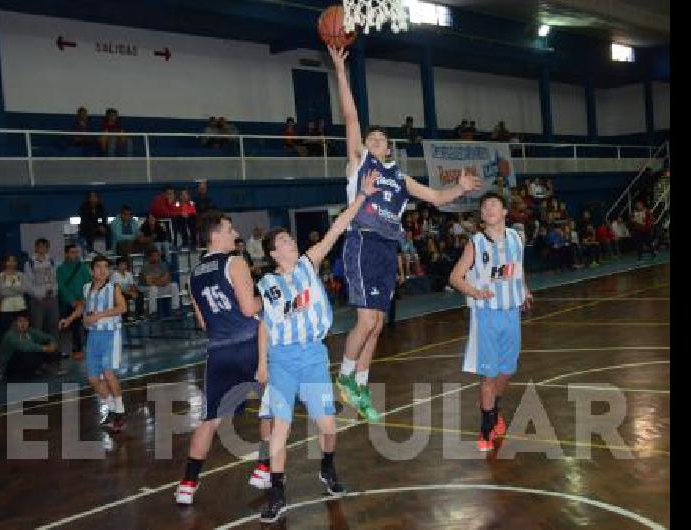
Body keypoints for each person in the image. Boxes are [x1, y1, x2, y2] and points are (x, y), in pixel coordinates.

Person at [328, 44, 481, 421]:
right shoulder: (359, 163)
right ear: (364, 146)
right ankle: (344, 378)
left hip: (386, 248)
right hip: (361, 240)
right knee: (365, 321)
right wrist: (339, 69)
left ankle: (359, 387)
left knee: (377, 325)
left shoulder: (401, 177)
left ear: (390, 146)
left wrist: (460, 189)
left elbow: (434, 196)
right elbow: (350, 116)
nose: (374, 140)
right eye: (370, 137)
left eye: (381, 138)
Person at [257, 170, 378, 523]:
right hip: (282, 359)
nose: (289, 242)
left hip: (312, 354)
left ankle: (327, 468)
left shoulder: (309, 263)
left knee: (327, 426)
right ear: (272, 253)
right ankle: (276, 491)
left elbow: (337, 227)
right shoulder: (266, 283)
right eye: (281, 241)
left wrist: (361, 197)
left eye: (288, 238)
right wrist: (262, 361)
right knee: (281, 427)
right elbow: (263, 323)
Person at [175, 212, 271, 505]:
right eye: (229, 230)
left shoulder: (192, 275)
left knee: (210, 420)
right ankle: (264, 468)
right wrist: (269, 298)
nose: (235, 234)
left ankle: (188, 484)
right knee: (271, 408)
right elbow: (247, 308)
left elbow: (204, 323)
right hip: (248, 345)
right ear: (214, 235)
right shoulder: (236, 262)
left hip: (218, 351)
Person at [448, 192, 533, 452]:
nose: (489, 208)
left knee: (507, 370)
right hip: (486, 315)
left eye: (494, 204)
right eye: (485, 206)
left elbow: (517, 269)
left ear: (505, 212)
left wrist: (525, 290)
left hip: (511, 313)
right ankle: (487, 427)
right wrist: (475, 293)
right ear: (483, 216)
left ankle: (492, 407)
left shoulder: (517, 238)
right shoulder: (475, 243)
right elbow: (455, 277)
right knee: (488, 374)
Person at [59, 255, 128, 431]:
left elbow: (122, 308)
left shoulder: (114, 287)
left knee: (108, 373)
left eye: (106, 267)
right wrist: (69, 318)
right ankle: (112, 409)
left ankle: (120, 412)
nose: (103, 270)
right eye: (99, 267)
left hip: (110, 334)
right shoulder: (87, 288)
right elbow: (82, 307)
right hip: (93, 337)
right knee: (92, 378)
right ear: (92, 270)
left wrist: (99, 315)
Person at [56, 244, 92, 359]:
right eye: (72, 252)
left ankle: (86, 348)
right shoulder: (60, 269)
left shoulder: (83, 267)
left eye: (76, 252)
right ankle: (71, 349)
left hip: (83, 301)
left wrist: (84, 299)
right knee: (71, 326)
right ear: (66, 254)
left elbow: (88, 283)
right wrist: (72, 301)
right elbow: (61, 287)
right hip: (69, 302)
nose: (75, 255)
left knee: (87, 324)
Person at [0, 313, 60, 380]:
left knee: (47, 346)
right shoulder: (9, 335)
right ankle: (40, 367)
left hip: (25, 361)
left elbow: (48, 337)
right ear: (14, 323)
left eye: (26, 321)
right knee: (28, 352)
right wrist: (45, 348)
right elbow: (24, 346)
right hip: (11, 366)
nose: (23, 324)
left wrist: (52, 344)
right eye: (20, 321)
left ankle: (41, 367)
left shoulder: (30, 331)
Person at [24, 238, 60, 340]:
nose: (42, 249)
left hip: (52, 298)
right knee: (37, 326)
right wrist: (38, 295)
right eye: (40, 247)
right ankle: (39, 351)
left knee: (54, 325)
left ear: (47, 248)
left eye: (44, 247)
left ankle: (54, 349)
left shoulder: (53, 261)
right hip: (37, 300)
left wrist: (53, 292)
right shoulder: (29, 263)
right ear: (36, 248)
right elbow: (28, 283)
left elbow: (56, 279)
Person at [139, 248, 181, 318]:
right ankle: (152, 312)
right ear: (149, 257)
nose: (156, 258)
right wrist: (161, 280)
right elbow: (149, 282)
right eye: (154, 256)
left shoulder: (163, 264)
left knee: (174, 285)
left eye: (157, 256)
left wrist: (156, 280)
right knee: (153, 288)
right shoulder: (145, 266)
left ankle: (175, 309)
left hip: (159, 287)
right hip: (146, 289)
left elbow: (168, 279)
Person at [0, 254, 30, 336]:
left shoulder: (21, 275)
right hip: (6, 308)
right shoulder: (0, 276)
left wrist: (10, 288)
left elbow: (25, 289)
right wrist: (17, 289)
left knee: (22, 332)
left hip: (21, 307)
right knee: (6, 332)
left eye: (13, 260)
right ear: (5, 262)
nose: (11, 263)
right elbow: (3, 292)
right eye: (9, 260)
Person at [111, 257, 144, 322]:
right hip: (116, 294)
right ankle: (125, 317)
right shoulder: (114, 275)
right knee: (123, 296)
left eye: (125, 264)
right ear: (118, 266)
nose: (124, 266)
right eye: (122, 264)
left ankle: (139, 315)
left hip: (127, 292)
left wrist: (134, 291)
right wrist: (129, 292)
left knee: (140, 295)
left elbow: (132, 285)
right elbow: (117, 288)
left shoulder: (128, 274)